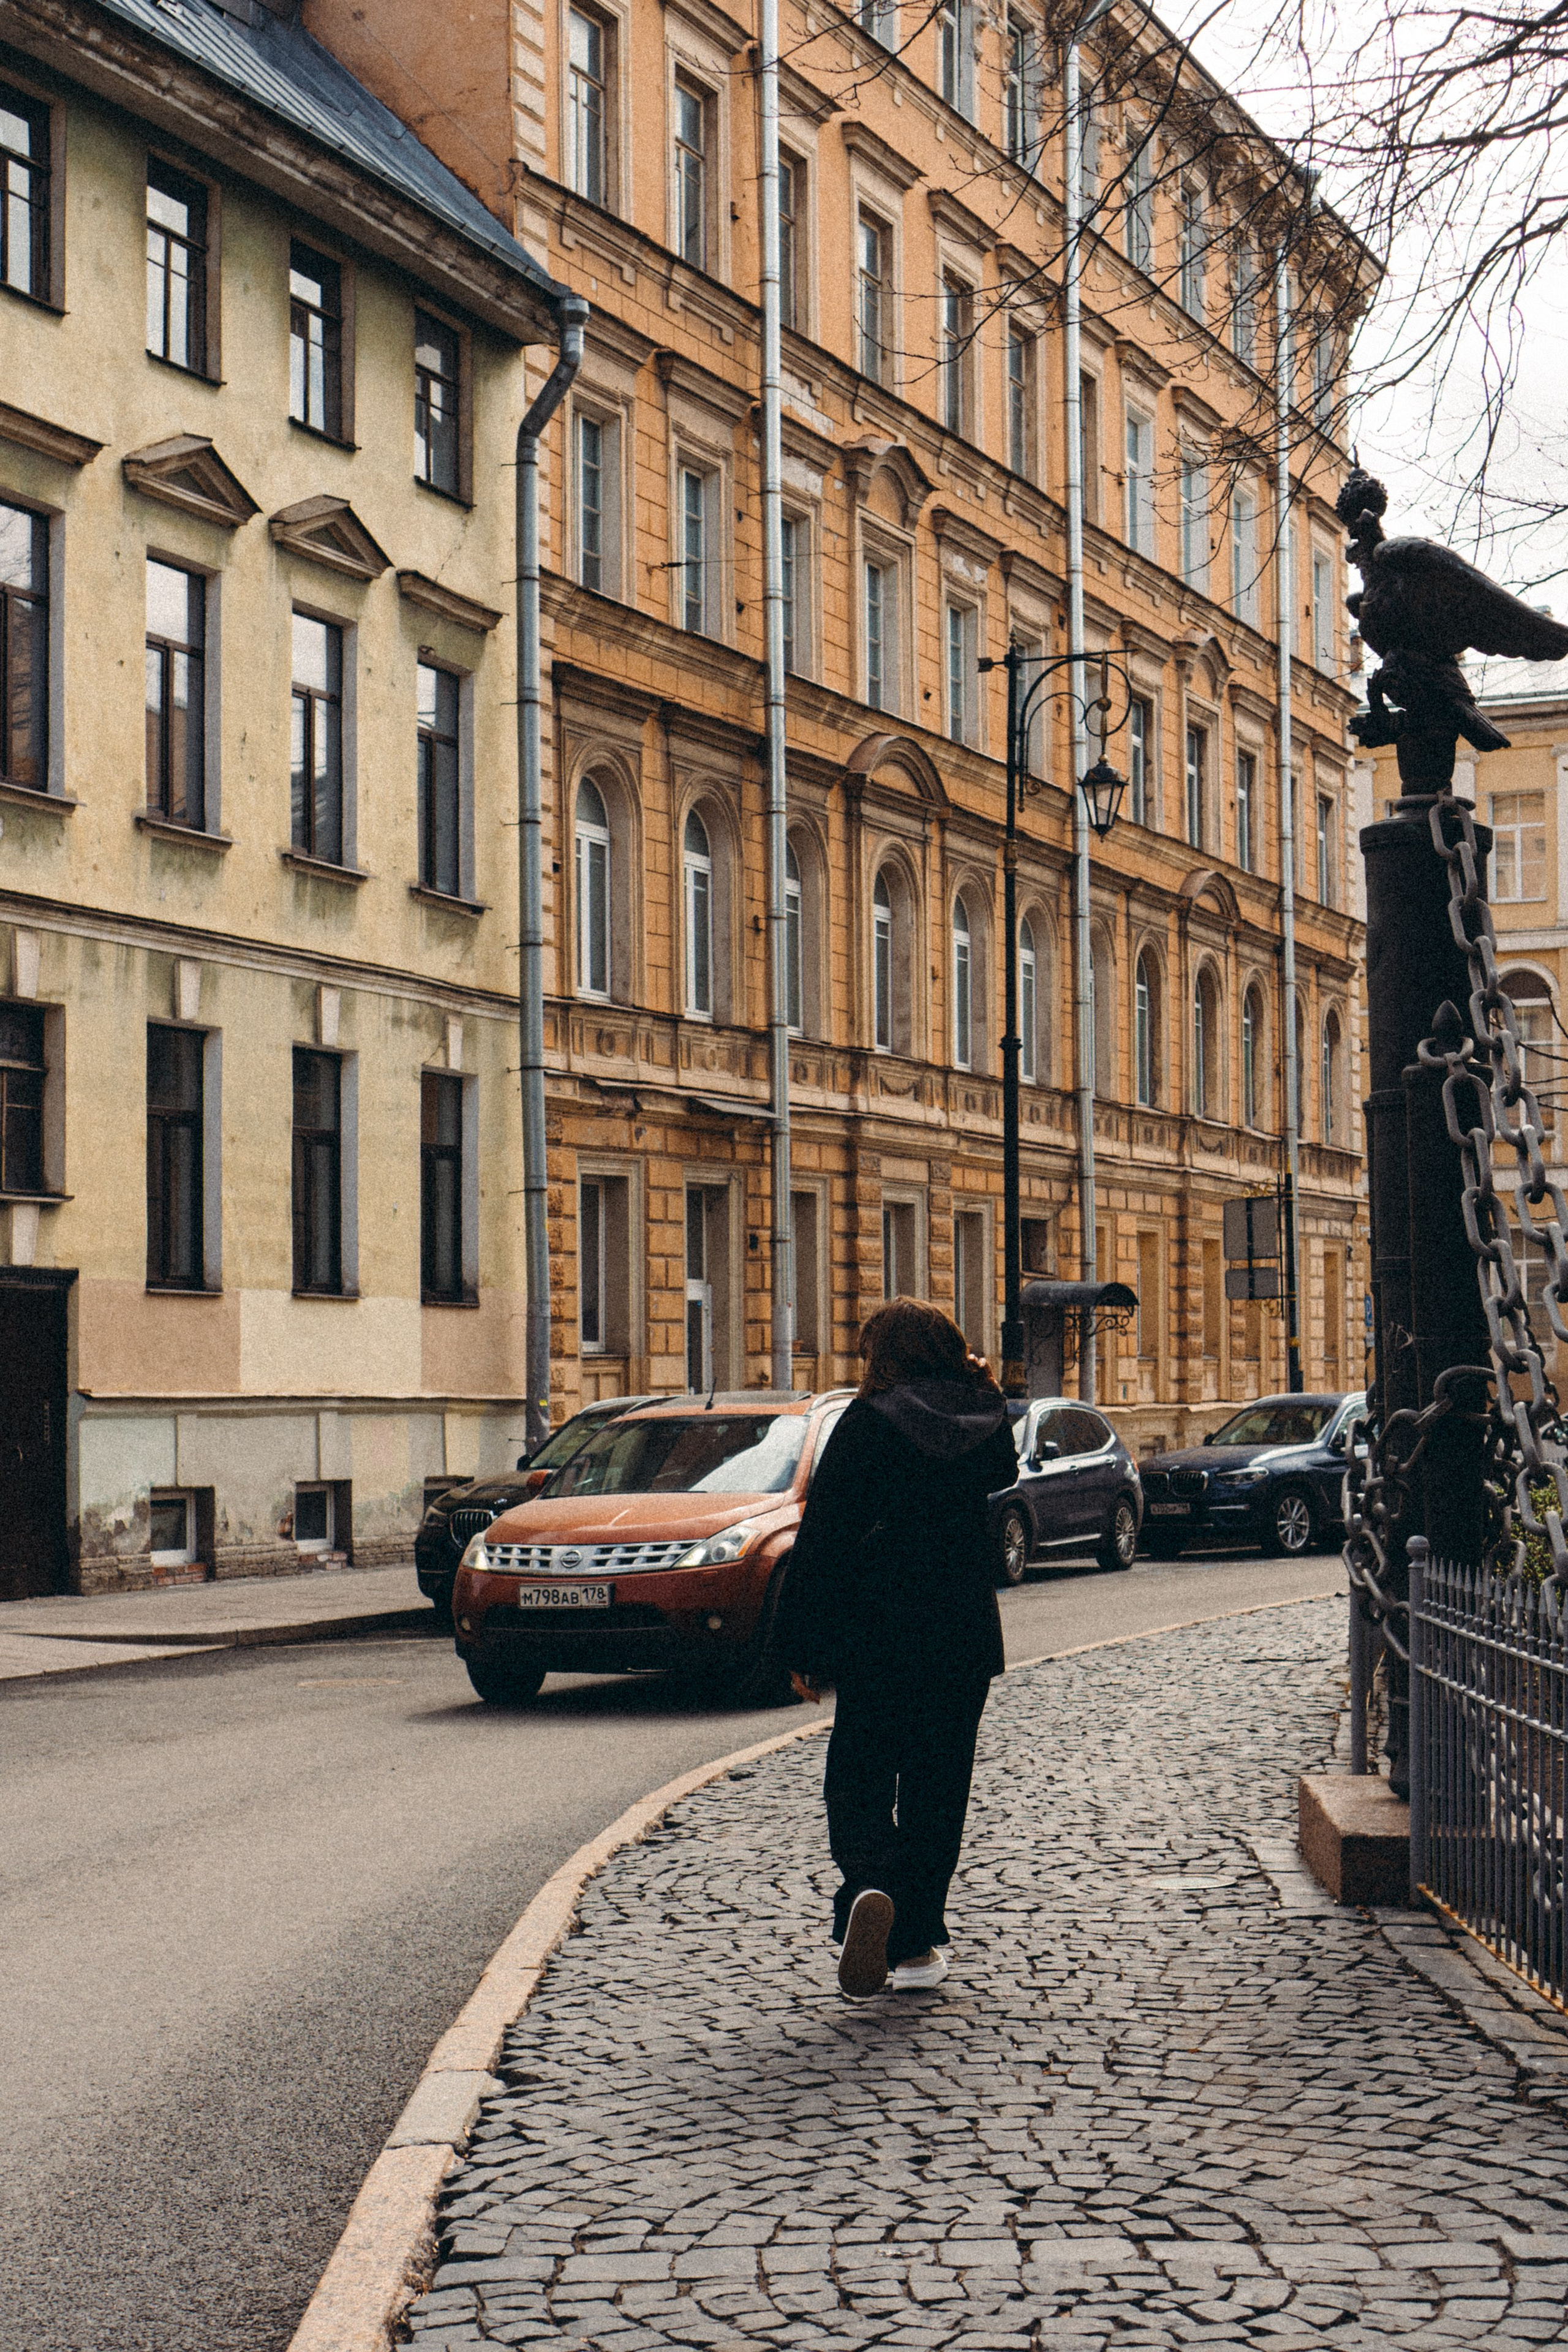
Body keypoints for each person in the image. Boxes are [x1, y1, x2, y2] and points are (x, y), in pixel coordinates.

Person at [777, 1298, 1019, 1998]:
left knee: (858, 1775)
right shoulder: (986, 1423)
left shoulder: (867, 1425)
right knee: (938, 1787)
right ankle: (914, 1946)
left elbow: (822, 1539)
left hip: (877, 1632)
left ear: (879, 1356)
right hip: (962, 1634)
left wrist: (802, 1645)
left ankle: (872, 1884)